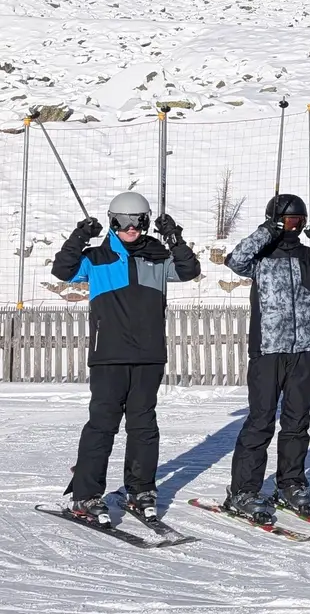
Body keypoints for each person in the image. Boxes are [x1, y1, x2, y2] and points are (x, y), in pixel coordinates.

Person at [51, 191, 199, 525]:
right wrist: (79, 236)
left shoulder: (159, 257)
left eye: (138, 221)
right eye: (122, 221)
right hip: (109, 355)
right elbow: (63, 270)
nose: (130, 228)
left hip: (149, 355)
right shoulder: (96, 258)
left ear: (146, 222)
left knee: (144, 425)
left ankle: (140, 490)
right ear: (112, 221)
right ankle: (86, 494)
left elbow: (189, 270)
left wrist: (175, 238)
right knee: (102, 425)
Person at [219, 194, 310, 525]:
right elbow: (235, 260)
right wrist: (265, 232)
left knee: (297, 421)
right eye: (287, 221)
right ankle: (243, 491)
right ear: (274, 221)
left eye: (298, 221)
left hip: (304, 350)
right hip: (268, 350)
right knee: (261, 420)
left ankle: (291, 484)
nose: (293, 227)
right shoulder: (261, 257)